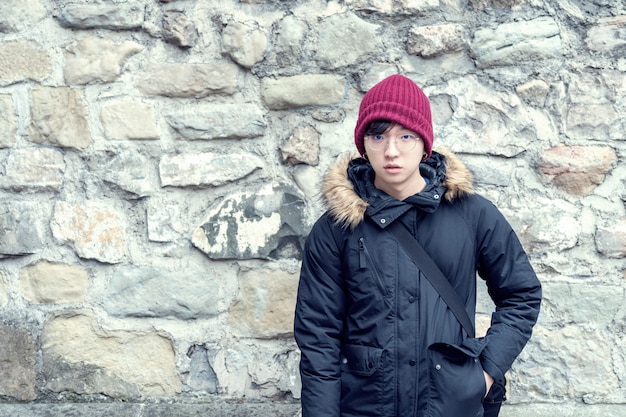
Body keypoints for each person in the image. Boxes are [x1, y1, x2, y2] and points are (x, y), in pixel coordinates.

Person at [293, 74, 542, 417]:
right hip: (365, 406)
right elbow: (318, 336)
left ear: (426, 144)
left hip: (449, 404)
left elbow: (521, 294)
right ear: (363, 144)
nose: (391, 151)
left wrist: (485, 372)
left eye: (405, 136)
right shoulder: (337, 228)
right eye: (378, 136)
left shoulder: (472, 214)